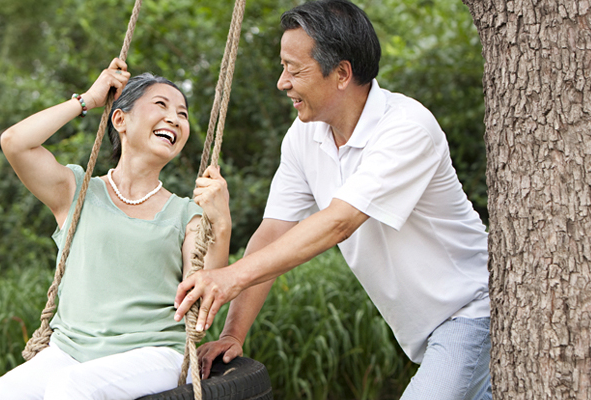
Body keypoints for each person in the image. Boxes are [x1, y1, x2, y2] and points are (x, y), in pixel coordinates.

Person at [173, 1, 492, 399]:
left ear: (341, 73)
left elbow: (339, 221)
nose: (282, 81)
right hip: (427, 335)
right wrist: (233, 333)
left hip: (472, 312)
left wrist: (230, 277)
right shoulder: (305, 136)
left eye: (294, 68)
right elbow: (273, 233)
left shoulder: (406, 128)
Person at [0, 58, 231, 399]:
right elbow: (15, 142)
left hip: (153, 354)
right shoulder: (76, 193)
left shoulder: (186, 213)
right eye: (161, 105)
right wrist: (88, 100)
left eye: (182, 114)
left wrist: (222, 223)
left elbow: (205, 300)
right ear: (120, 119)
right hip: (70, 352)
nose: (175, 118)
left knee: (71, 389)